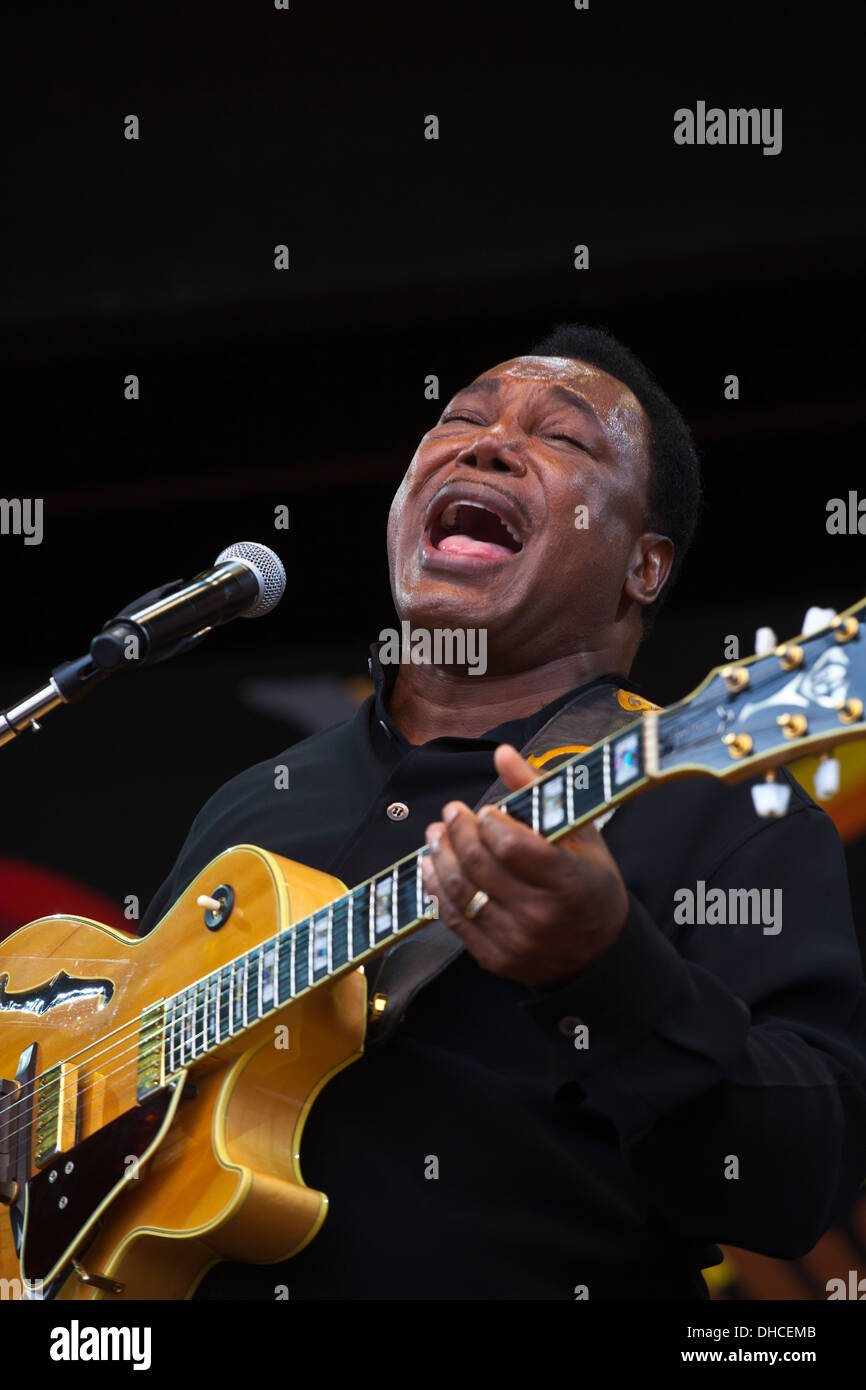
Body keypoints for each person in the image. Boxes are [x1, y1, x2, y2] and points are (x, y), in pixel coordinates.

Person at [140, 323, 866, 1300]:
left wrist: (604, 968)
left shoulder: (713, 804)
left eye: (562, 439)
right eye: (459, 420)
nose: (483, 443)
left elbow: (793, 1182)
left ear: (640, 568)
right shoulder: (251, 806)